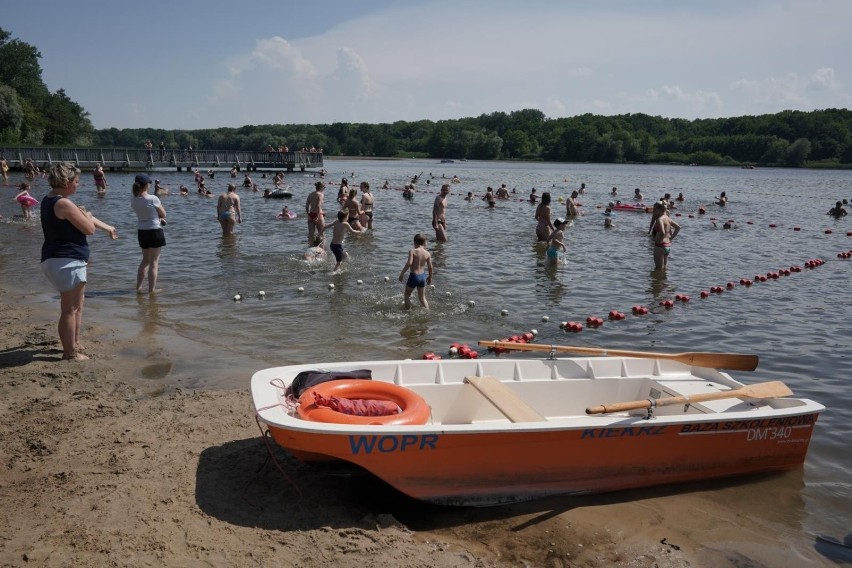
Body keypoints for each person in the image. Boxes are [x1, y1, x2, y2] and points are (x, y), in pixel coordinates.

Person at [40, 162, 117, 361]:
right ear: (66, 182)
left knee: (77, 305)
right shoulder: (63, 203)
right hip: (66, 261)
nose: (78, 185)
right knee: (69, 309)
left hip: (60, 260)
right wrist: (87, 216)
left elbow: (79, 221)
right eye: (76, 181)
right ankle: (70, 354)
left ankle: (74, 342)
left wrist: (103, 225)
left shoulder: (49, 200)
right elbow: (89, 229)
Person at [131, 174, 167, 294]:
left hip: (142, 231)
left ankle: (139, 287)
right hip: (155, 230)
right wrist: (160, 217)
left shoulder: (133, 199)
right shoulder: (152, 198)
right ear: (146, 185)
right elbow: (164, 214)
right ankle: (152, 290)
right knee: (154, 262)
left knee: (145, 260)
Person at [398, 233, 434, 309]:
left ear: (415, 242)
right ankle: (427, 311)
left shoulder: (413, 251)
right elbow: (430, 267)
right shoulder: (427, 253)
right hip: (423, 277)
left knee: (407, 295)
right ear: (424, 243)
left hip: (414, 276)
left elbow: (409, 263)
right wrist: (430, 277)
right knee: (422, 297)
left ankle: (407, 312)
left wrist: (402, 274)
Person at [650, 201, 681, 271]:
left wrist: (659, 241)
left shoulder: (659, 219)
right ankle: (663, 281)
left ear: (659, 209)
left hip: (660, 246)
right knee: (664, 269)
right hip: (668, 245)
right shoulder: (667, 218)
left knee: (658, 269)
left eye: (654, 209)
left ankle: (658, 281)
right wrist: (671, 238)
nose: (654, 211)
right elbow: (678, 227)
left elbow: (662, 232)